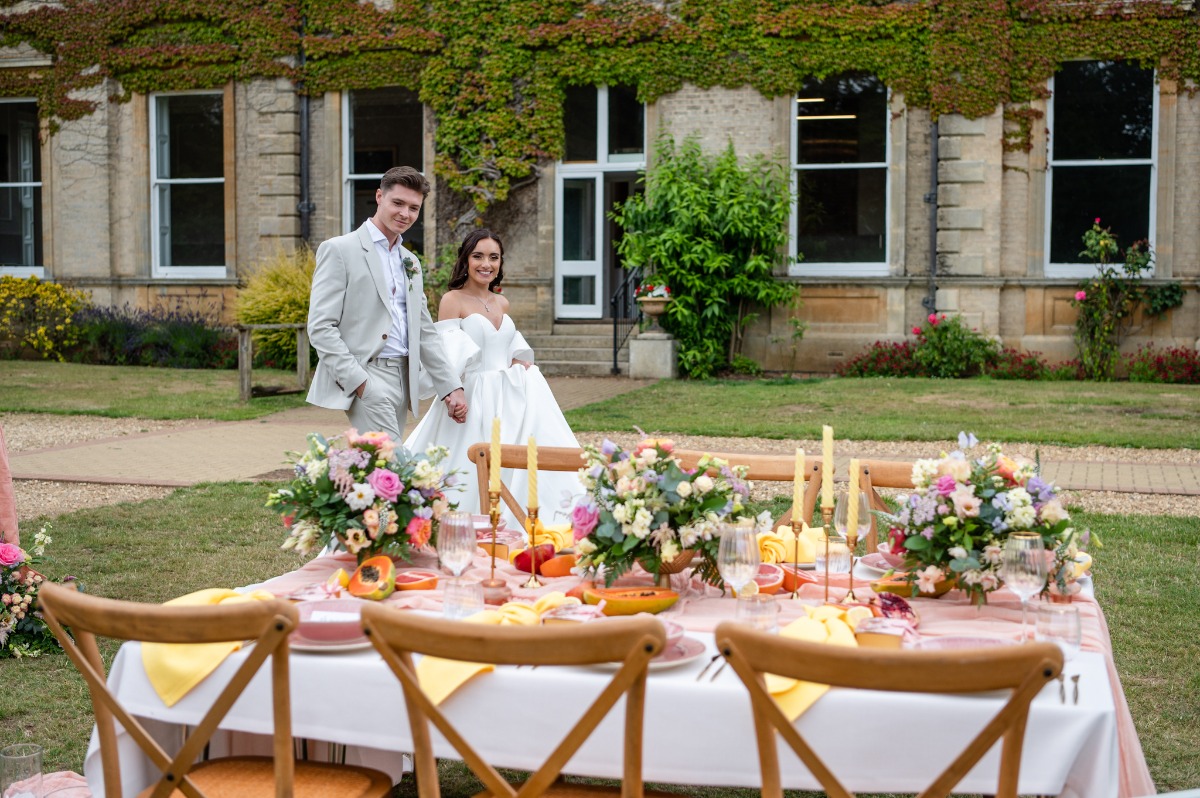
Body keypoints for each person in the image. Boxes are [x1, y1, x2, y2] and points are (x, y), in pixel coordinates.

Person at [404, 229, 583, 527]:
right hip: (472, 394)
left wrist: (517, 360)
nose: (486, 264)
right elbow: (443, 353)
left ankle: (518, 522)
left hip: (510, 395)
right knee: (466, 464)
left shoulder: (502, 303)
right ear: (466, 260)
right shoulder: (452, 300)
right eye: (478, 256)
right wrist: (453, 392)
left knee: (515, 458)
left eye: (493, 257)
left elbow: (508, 343)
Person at [306, 166, 467, 440]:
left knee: (379, 472)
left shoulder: (410, 260)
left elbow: (423, 330)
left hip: (404, 378)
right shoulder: (339, 250)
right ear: (379, 197)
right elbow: (321, 327)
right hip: (368, 374)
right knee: (396, 465)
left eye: (414, 208)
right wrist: (360, 383)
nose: (405, 214)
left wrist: (451, 386)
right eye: (398, 203)